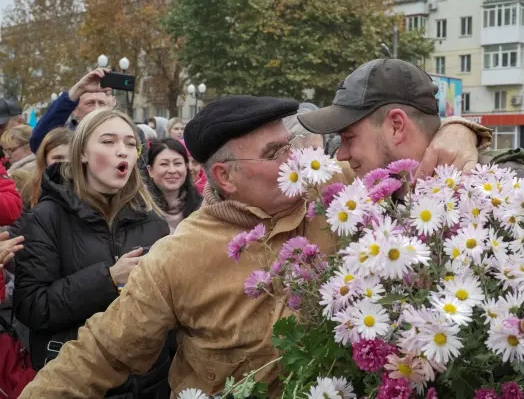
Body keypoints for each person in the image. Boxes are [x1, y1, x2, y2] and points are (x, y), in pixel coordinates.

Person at [18, 95, 485, 397]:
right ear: (225, 177)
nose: (297, 160)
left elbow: (414, 153)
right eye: (275, 154)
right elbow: (102, 353)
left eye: (290, 145)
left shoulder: (335, 196)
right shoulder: (177, 256)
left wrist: (461, 128)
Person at [298, 58, 524, 392]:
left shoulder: (515, 197)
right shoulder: (392, 206)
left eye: (349, 136)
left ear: (397, 126)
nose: (340, 154)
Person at [14, 108, 172, 397]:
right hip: (77, 381)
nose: (122, 151)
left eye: (129, 144)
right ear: (82, 153)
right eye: (109, 142)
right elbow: (32, 307)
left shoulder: (154, 222)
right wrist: (108, 279)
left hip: (149, 384)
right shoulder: (47, 217)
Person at [29, 69, 113, 153]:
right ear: (75, 110)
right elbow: (39, 141)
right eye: (90, 103)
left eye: (101, 103)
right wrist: (77, 90)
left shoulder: (118, 135)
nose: (96, 109)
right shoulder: (66, 140)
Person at [146, 138, 202, 233]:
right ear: (150, 170)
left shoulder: (201, 208)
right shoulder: (140, 210)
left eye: (177, 163)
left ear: (186, 167)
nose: (172, 170)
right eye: (164, 164)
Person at [27, 127, 72, 209]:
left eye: (72, 157)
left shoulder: (91, 187)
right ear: (45, 159)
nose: (66, 162)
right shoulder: (29, 189)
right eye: (58, 158)